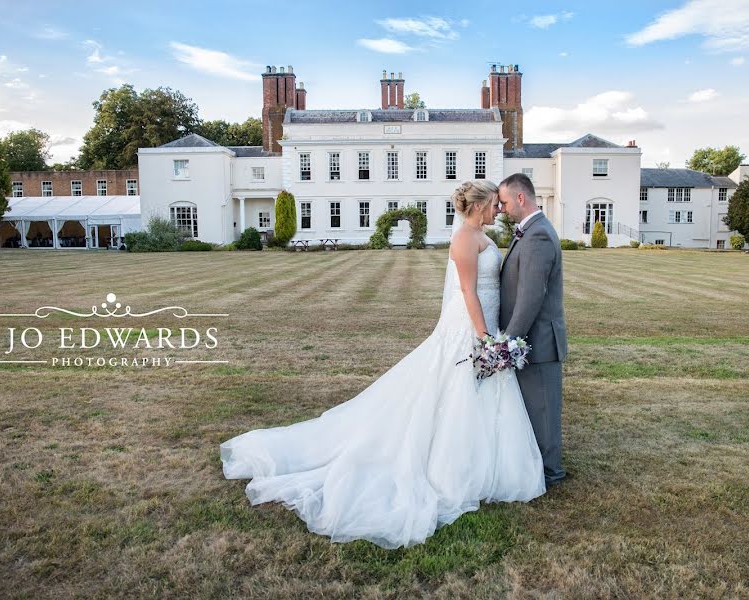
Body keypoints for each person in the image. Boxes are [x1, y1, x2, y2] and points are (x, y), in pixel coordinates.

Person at [220, 180, 545, 549]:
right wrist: (485, 335)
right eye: (493, 205)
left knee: (480, 391)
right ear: (479, 205)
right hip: (469, 325)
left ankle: (488, 463)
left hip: (485, 321)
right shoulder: (463, 240)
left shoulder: (480, 235)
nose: (498, 210)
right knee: (456, 388)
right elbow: (468, 291)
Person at [497, 173, 568, 488]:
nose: (502, 208)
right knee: (533, 408)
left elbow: (530, 296)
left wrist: (508, 342)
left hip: (538, 339)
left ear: (520, 198)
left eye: (504, 202)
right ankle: (536, 464)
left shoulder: (538, 235)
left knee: (543, 409)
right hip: (531, 339)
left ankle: (550, 472)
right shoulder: (530, 231)